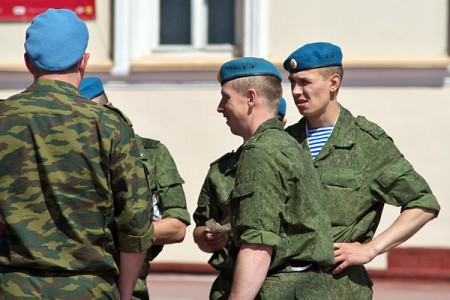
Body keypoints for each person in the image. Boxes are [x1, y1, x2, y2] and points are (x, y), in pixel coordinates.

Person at [0, 9, 154, 299]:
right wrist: (124, 292)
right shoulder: (108, 125)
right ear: (84, 61)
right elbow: (135, 223)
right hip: (89, 287)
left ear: (27, 62)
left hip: (10, 286)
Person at [283, 42, 441, 299]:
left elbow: (423, 204)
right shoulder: (285, 142)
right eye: (292, 82)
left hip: (338, 288)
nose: (296, 91)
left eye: (305, 82)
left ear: (333, 83)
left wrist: (371, 249)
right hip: (282, 287)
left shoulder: (367, 144)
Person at [211, 57, 334, 299]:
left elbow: (257, 244)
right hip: (307, 286)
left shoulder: (260, 151)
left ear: (251, 98)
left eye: (226, 98)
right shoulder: (288, 144)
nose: (220, 107)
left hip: (280, 288)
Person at [79, 76, 191, 300]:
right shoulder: (70, 157)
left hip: (132, 285)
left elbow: (177, 227)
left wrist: (122, 233)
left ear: (110, 109)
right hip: (80, 281)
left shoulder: (151, 153)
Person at [192, 96, 288, 299]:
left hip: (282, 283)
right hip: (231, 284)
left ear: (283, 123)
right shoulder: (221, 170)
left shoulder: (294, 163)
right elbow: (202, 224)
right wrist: (207, 238)